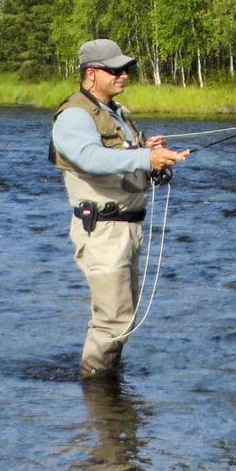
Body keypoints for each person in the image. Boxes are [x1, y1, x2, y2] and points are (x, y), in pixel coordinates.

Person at [50, 38, 189, 380]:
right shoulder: (74, 115)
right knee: (112, 319)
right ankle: (95, 388)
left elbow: (119, 156)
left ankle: (104, 387)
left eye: (126, 69)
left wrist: (146, 149)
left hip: (127, 227)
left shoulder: (115, 112)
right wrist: (144, 157)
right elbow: (89, 157)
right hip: (102, 230)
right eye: (116, 70)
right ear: (91, 74)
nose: (124, 75)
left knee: (123, 317)